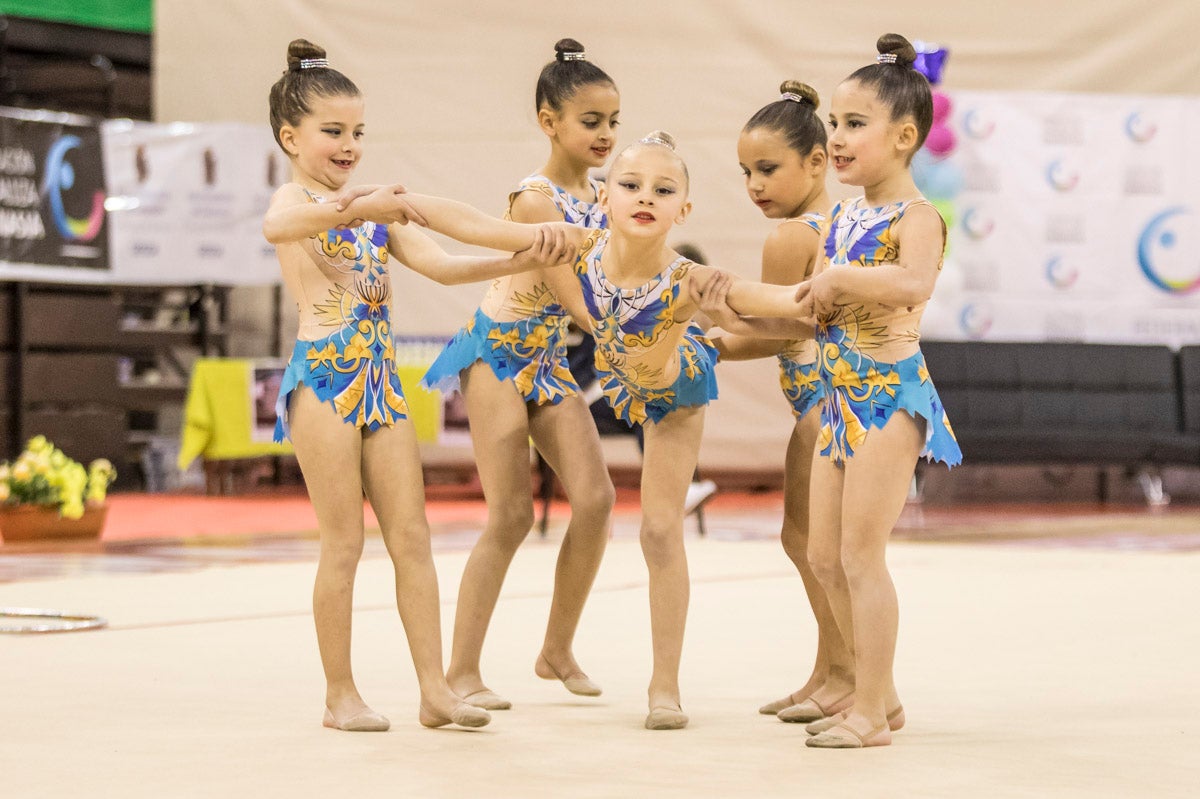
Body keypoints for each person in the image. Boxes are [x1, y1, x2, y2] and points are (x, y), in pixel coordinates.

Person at [367, 130, 807, 729]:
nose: (644, 197)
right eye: (629, 185)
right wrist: (395, 200)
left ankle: (664, 688)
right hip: (599, 370)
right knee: (526, 512)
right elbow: (473, 226)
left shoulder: (692, 277)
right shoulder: (576, 247)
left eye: (663, 189)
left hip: (677, 392)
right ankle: (483, 663)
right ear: (603, 197)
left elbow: (779, 307)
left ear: (685, 208)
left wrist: (830, 298)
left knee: (658, 533)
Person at [262, 38, 571, 732]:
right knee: (342, 543)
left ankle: (435, 688)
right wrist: (359, 205)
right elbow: (275, 224)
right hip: (324, 380)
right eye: (333, 132)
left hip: (379, 384)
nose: (350, 145)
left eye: (358, 132)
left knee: (412, 536)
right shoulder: (298, 199)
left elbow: (443, 261)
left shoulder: (368, 206)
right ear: (292, 136)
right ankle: (340, 694)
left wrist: (526, 250)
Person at [419, 38, 619, 711]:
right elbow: (575, 299)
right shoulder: (536, 201)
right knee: (508, 514)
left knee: (594, 499)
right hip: (497, 354)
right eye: (591, 121)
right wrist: (641, 340)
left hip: (546, 361)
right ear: (549, 121)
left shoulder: (604, 196)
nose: (605, 135)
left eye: (613, 121)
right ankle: (462, 670)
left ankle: (555, 648)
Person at [790, 34, 963, 748]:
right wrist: (715, 308)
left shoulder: (916, 217)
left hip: (890, 398)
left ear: (904, 136)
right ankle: (879, 693)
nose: (836, 137)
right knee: (824, 556)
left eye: (853, 124)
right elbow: (812, 301)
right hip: (837, 398)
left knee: (862, 555)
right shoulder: (841, 218)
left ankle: (868, 713)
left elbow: (912, 285)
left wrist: (838, 279)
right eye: (833, 122)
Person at [698, 81, 855, 724]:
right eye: (745, 172)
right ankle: (829, 671)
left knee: (809, 541)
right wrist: (717, 335)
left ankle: (846, 673)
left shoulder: (794, 235)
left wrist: (707, 335)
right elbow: (788, 329)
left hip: (822, 403)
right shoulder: (831, 223)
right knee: (814, 542)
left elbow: (786, 329)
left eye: (768, 169)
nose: (754, 184)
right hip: (829, 398)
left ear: (817, 162)